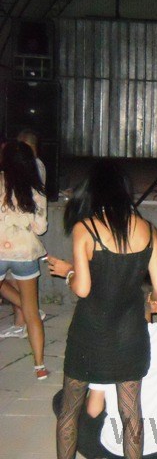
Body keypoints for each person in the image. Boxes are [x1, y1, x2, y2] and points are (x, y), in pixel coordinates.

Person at [48, 159, 157, 459]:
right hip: (130, 335)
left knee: (70, 411)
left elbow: (83, 289)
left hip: (90, 334)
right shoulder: (147, 229)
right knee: (131, 414)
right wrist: (154, 298)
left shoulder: (85, 229)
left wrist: (68, 272)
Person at [52, 239, 157, 459]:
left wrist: (71, 272)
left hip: (120, 451)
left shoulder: (103, 343)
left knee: (63, 402)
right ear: (154, 303)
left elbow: (94, 409)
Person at [0, 141, 48, 378]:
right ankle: (40, 367)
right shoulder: (35, 190)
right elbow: (40, 228)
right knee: (31, 311)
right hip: (26, 253)